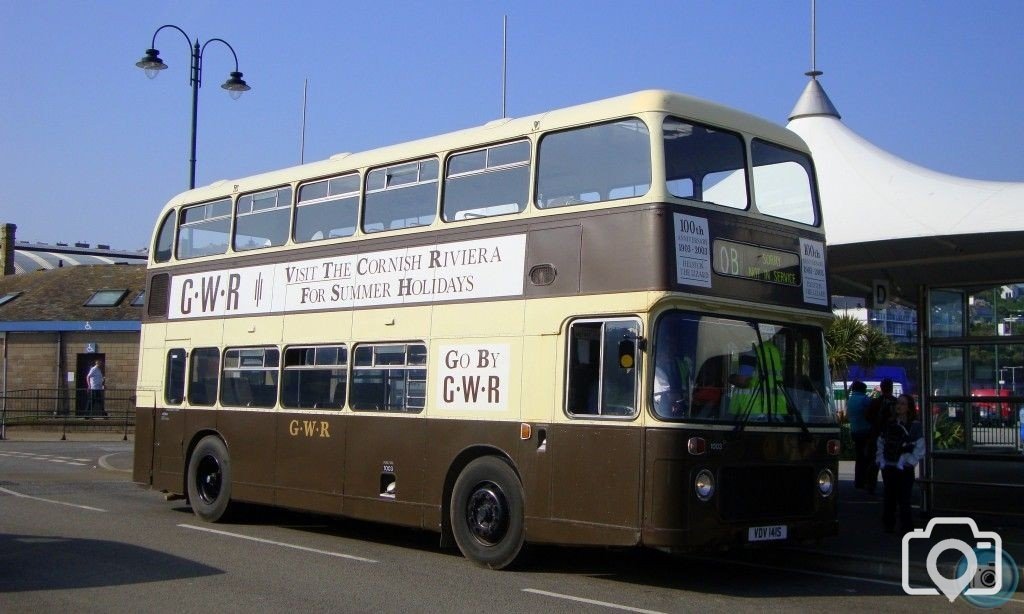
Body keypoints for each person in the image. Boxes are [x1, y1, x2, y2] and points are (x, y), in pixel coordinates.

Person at [876, 393, 924, 534]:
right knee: (889, 497)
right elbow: (881, 442)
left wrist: (910, 461)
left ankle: (906, 527)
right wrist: (881, 460)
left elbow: (920, 446)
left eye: (903, 404)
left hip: (904, 468)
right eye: (898, 403)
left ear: (909, 408)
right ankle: (889, 524)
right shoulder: (890, 424)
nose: (899, 406)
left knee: (904, 499)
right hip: (889, 465)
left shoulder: (914, 426)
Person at [863, 377, 896, 494]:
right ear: (891, 388)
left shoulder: (876, 402)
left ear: (881, 388)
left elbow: (867, 416)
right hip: (891, 435)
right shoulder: (896, 402)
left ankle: (871, 485)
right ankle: (889, 486)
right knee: (889, 462)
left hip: (876, 434)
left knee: (874, 461)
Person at [653, 331, 691, 417]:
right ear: (659, 352)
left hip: (679, 405)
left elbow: (687, 385)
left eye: (673, 346)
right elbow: (664, 394)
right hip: (661, 409)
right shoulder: (654, 370)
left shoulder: (681, 364)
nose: (670, 351)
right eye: (667, 347)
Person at [845, 381, 873, 490]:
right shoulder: (865, 400)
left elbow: (847, 416)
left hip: (854, 430)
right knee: (866, 457)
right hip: (865, 430)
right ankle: (865, 480)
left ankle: (858, 480)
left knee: (859, 456)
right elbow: (871, 413)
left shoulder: (850, 400)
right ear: (863, 389)